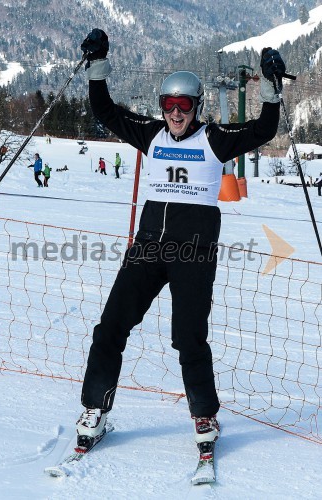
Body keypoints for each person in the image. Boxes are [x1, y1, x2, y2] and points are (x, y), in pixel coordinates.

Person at [76, 29, 284, 474]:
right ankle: (95, 410)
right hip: (148, 246)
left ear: (197, 107)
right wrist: (98, 65)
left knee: (187, 338)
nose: (175, 114)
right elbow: (104, 111)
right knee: (111, 325)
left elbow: (265, 128)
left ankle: (204, 418)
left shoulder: (216, 139)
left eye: (183, 106)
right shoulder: (150, 134)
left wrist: (269, 87)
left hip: (193, 251)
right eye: (168, 106)